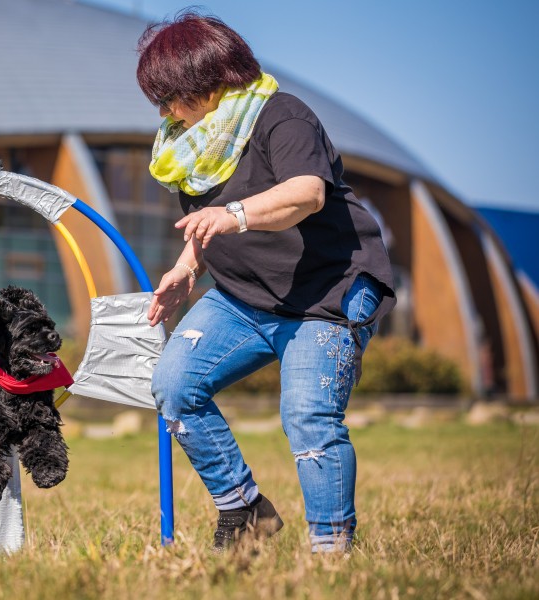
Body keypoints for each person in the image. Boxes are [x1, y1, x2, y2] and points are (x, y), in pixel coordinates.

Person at [137, 12, 396, 553]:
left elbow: (306, 193)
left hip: (327, 292)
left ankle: (331, 552)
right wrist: (186, 268)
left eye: (168, 97)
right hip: (245, 298)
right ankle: (245, 511)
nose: (162, 112)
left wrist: (234, 214)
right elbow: (207, 221)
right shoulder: (191, 143)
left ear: (208, 84)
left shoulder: (282, 117)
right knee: (175, 386)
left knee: (308, 416)